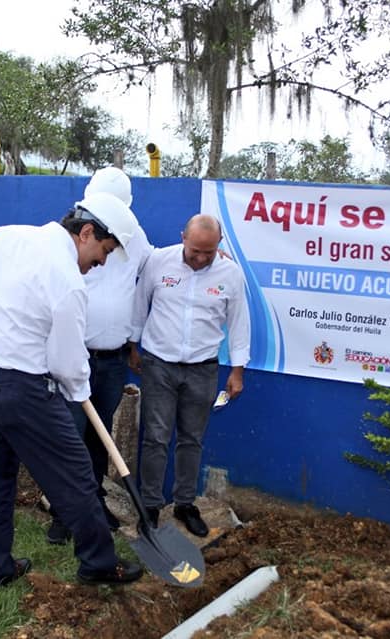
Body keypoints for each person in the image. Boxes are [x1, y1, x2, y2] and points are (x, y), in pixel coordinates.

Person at [0, 192, 145, 589]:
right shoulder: (67, 280)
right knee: (75, 472)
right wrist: (80, 389)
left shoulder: (1, 236)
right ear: (86, 232)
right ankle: (99, 562)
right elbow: (66, 364)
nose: (102, 262)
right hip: (18, 386)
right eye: (104, 251)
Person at [46, 167, 152, 545]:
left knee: (99, 434)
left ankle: (92, 501)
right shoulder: (71, 237)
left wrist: (205, 254)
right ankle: (62, 512)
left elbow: (156, 265)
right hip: (73, 354)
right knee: (69, 434)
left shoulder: (134, 238)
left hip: (112, 359)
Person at [130, 213, 251, 538]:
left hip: (203, 368)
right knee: (155, 437)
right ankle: (150, 505)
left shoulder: (231, 274)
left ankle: (185, 503)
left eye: (208, 252)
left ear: (219, 245)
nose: (200, 258)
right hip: (159, 364)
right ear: (183, 237)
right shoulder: (159, 262)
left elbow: (239, 323)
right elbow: (140, 304)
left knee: (191, 439)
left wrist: (237, 370)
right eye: (195, 250)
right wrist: (132, 345)